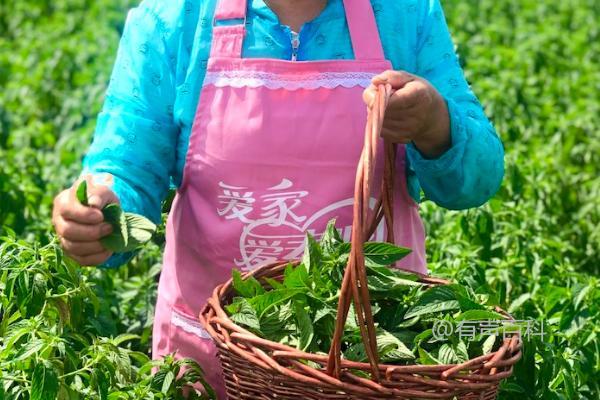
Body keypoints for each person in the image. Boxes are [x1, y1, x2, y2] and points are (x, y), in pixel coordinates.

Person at [52, 0, 504, 397]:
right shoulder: (176, 18)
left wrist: (435, 124)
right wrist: (102, 213)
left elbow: (476, 179)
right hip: (216, 358)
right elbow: (129, 166)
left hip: (372, 357)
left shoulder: (405, 14)